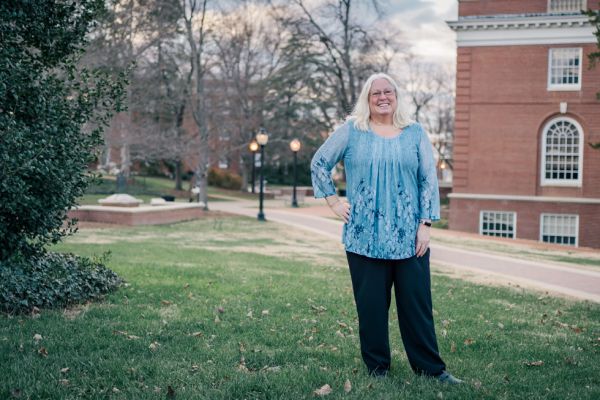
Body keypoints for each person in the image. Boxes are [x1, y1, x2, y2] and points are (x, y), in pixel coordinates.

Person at [310, 72, 462, 384]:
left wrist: (426, 224)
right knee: (372, 310)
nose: (382, 97)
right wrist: (333, 201)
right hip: (364, 237)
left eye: (388, 92)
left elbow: (427, 181)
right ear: (367, 98)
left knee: (417, 308)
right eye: (375, 93)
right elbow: (319, 162)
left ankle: (432, 370)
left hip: (410, 239)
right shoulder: (353, 131)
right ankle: (378, 370)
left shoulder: (415, 132)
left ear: (396, 96)